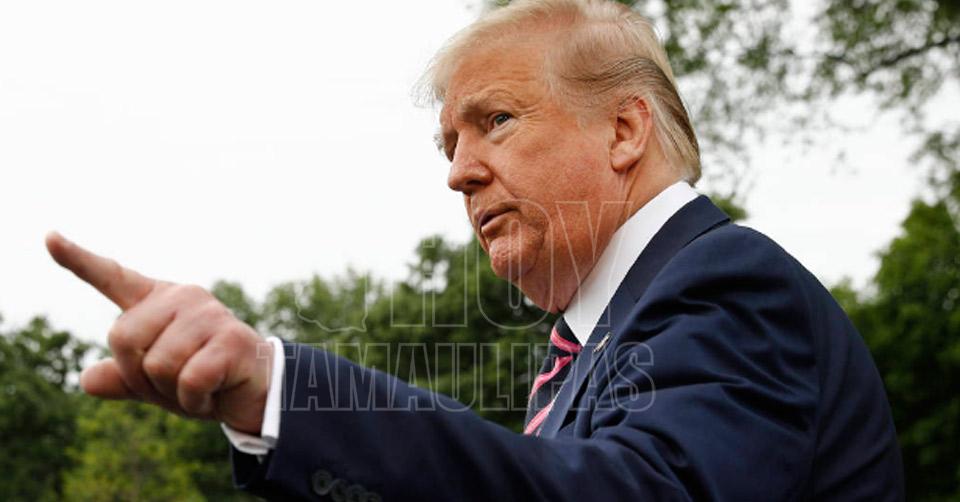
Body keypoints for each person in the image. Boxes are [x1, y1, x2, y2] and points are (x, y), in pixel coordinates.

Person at [45, 0, 904, 500]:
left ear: (624, 130)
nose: (458, 173)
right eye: (448, 144)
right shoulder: (592, 342)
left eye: (496, 120)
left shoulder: (727, 283)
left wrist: (280, 390)